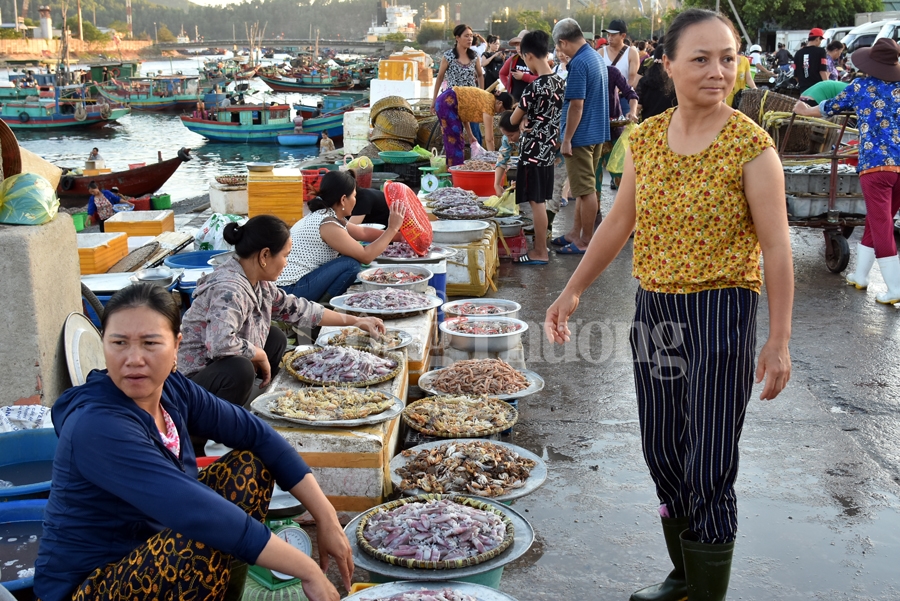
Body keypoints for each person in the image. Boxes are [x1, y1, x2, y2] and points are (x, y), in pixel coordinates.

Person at [545, 10, 793, 601]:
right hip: (655, 313)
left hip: (722, 314)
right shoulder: (646, 139)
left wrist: (778, 340)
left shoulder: (751, 146)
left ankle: (708, 590)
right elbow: (619, 223)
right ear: (670, 65)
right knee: (661, 450)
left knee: (709, 461)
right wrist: (573, 287)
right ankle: (685, 575)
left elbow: (779, 250)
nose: (717, 71)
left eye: (728, 58)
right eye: (702, 59)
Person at [34, 283, 351, 601]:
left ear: (176, 348)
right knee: (204, 533)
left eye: (150, 343)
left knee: (250, 464)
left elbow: (257, 433)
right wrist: (307, 570)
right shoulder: (97, 427)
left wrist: (326, 517)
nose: (133, 359)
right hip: (91, 586)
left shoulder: (172, 388)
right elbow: (198, 514)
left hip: (153, 553)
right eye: (119, 343)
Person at [178, 216, 386, 441]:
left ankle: (252, 402)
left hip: (216, 368)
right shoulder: (230, 289)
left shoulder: (260, 283)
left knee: (274, 337)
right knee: (241, 368)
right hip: (192, 387)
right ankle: (206, 438)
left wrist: (355, 321)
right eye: (285, 256)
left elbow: (300, 310)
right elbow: (221, 344)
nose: (287, 263)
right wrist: (258, 355)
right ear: (265, 255)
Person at [794, 38, 900, 304]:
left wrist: (804, 109)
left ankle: (895, 288)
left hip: (876, 167)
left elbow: (828, 108)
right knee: (880, 219)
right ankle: (860, 276)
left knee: (882, 223)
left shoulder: (862, 86)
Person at [278, 170, 406, 303]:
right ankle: (322, 307)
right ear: (343, 199)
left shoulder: (328, 217)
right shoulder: (327, 225)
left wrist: (401, 238)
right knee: (351, 264)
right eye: (354, 196)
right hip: (290, 290)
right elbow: (366, 256)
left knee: (350, 260)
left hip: (293, 286)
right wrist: (392, 228)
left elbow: (363, 232)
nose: (355, 201)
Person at [551, 18, 610, 255]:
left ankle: (586, 240)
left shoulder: (578, 63)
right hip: (595, 132)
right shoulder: (595, 56)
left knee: (585, 191)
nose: (558, 52)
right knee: (582, 188)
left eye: (557, 47)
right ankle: (576, 233)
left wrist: (566, 138)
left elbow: (576, 106)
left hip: (581, 136)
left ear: (563, 42)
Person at [507, 30, 565, 266]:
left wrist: (521, 120)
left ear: (529, 56)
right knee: (540, 199)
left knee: (536, 202)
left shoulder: (534, 88)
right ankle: (541, 247)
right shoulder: (560, 82)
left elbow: (512, 120)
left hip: (533, 152)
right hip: (549, 149)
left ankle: (540, 250)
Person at [434, 86, 513, 166]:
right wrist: (493, 159)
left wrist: (470, 135)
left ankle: (454, 170)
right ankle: (454, 173)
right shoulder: (489, 105)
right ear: (500, 103)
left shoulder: (488, 98)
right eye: (502, 110)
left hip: (446, 100)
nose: (499, 112)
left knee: (455, 140)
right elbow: (489, 139)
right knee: (454, 141)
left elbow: (465, 114)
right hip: (447, 101)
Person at [432, 24, 483, 106]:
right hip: (452, 100)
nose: (470, 39)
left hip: (470, 99)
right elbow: (440, 78)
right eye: (466, 36)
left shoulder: (474, 56)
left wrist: (481, 94)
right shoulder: (448, 56)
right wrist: (434, 99)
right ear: (457, 38)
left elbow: (480, 75)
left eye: (471, 36)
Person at [636, 45, 677, 120]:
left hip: (649, 125)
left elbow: (638, 107)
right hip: (670, 123)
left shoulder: (644, 81)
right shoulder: (674, 81)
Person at [600, 19, 641, 87]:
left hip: (624, 95)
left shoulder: (632, 53)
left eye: (613, 35)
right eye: (608, 35)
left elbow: (632, 79)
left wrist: (620, 90)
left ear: (623, 36)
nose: (610, 38)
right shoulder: (601, 52)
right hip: (605, 95)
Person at [499, 30, 537, 101]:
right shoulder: (513, 59)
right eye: (516, 44)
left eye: (520, 44)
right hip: (515, 100)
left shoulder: (536, 59)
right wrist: (508, 86)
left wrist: (524, 77)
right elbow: (502, 73)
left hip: (533, 100)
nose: (518, 47)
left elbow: (543, 79)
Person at [494, 111, 521, 197]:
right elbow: (502, 159)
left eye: (511, 135)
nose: (509, 139)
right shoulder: (507, 139)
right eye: (506, 135)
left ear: (520, 128)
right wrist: (497, 184)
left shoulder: (530, 136)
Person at [794, 28, 829, 93]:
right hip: (818, 91)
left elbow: (796, 75)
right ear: (817, 38)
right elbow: (823, 71)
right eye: (820, 40)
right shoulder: (821, 51)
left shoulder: (798, 53)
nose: (820, 42)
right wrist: (828, 86)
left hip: (803, 91)